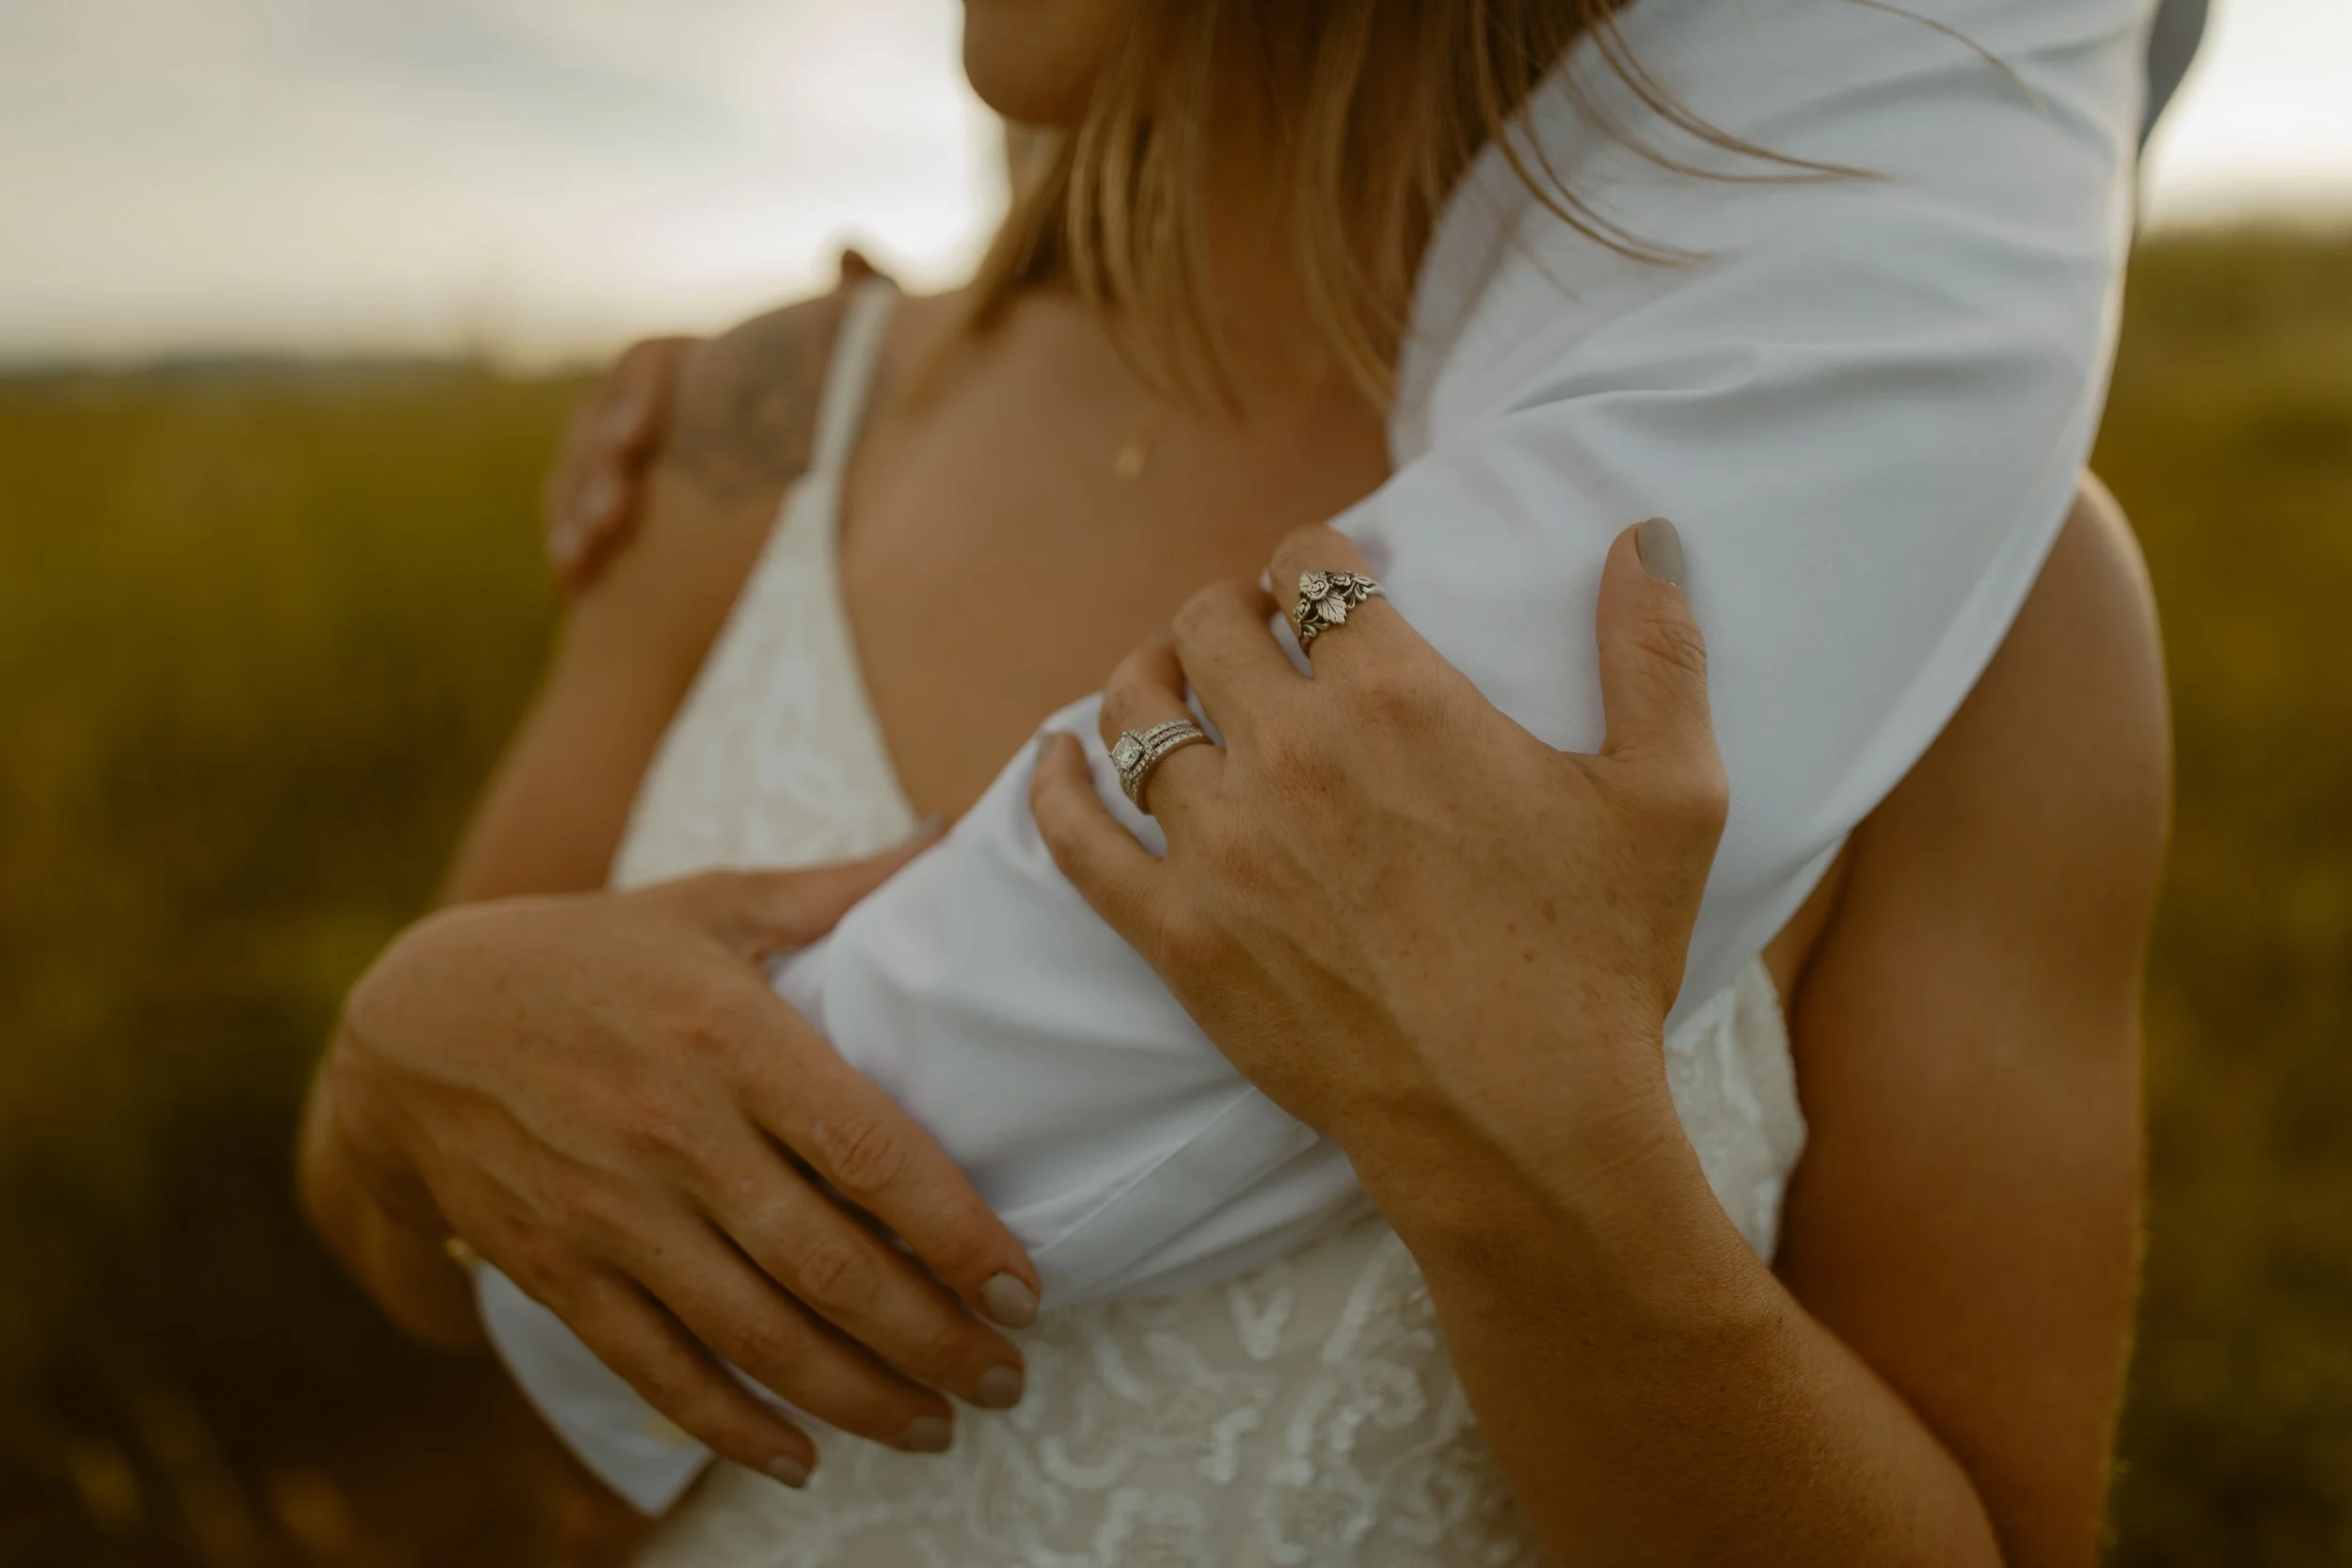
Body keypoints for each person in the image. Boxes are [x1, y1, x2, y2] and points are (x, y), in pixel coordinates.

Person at [299, 0, 2161, 1560]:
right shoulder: (748, 434)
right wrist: (396, 1075)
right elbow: (408, 1265)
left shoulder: (1980, 616)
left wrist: (1542, 1189)